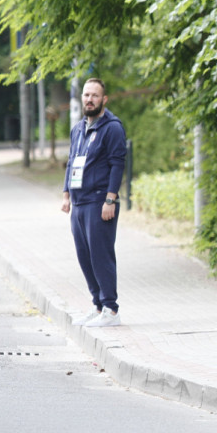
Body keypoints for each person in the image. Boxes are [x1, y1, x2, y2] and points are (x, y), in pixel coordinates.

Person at [62, 78, 127, 328]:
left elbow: (117, 164)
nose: (90, 99)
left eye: (95, 95)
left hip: (99, 201)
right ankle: (98, 305)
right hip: (79, 203)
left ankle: (111, 309)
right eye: (86, 95)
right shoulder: (78, 129)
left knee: (101, 256)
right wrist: (66, 194)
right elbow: (71, 161)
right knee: (85, 257)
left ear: (104, 99)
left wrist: (110, 199)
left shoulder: (112, 128)